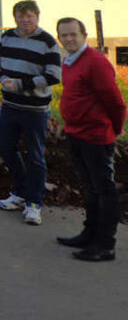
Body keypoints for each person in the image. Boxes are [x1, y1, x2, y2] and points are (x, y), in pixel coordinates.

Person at [0, 0, 61, 225]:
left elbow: (54, 75)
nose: (24, 20)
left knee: (36, 157)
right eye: (20, 16)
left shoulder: (47, 42)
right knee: (7, 148)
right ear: (15, 17)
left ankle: (34, 203)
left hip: (35, 111)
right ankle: (20, 192)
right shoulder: (7, 36)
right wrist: (3, 79)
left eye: (29, 16)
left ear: (37, 16)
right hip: (9, 106)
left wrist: (21, 85)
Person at [56, 17, 126, 262]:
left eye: (73, 34)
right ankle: (89, 234)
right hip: (76, 134)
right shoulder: (69, 62)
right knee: (91, 188)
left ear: (84, 35)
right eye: (64, 35)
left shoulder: (96, 63)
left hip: (96, 137)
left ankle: (106, 245)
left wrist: (115, 130)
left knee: (105, 190)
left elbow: (115, 102)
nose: (68, 39)